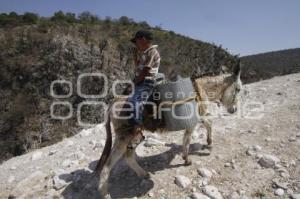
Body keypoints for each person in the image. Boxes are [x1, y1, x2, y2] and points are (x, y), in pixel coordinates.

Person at [127, 30, 161, 133]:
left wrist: (135, 83)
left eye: (136, 41)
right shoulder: (145, 53)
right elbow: (139, 68)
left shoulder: (152, 52)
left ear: (143, 39)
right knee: (128, 98)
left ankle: (138, 125)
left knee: (136, 101)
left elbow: (146, 71)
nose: (136, 44)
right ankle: (130, 122)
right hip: (141, 80)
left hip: (147, 81)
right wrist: (135, 59)